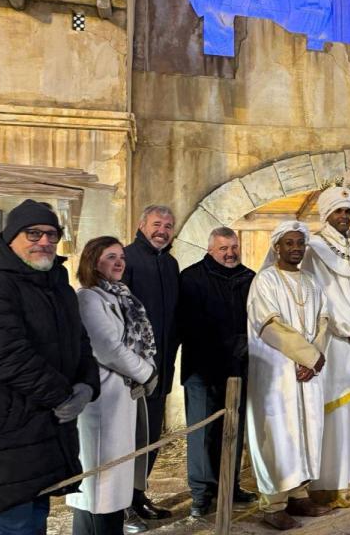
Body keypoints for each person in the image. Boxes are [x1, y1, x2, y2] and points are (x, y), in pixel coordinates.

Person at [0, 199, 100, 533]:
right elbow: (3, 355)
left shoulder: (55, 283)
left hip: (45, 432)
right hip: (5, 434)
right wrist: (63, 395)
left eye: (52, 234)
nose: (45, 241)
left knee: (33, 518)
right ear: (10, 238)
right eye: (33, 233)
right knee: (7, 519)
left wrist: (87, 385)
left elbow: (80, 342)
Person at [245, 220, 333, 531]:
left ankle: (300, 494)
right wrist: (307, 356)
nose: (296, 248)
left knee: (307, 430)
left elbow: (324, 321)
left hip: (308, 374)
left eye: (300, 243)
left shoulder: (311, 282)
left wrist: (314, 358)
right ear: (277, 247)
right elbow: (268, 326)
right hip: (278, 374)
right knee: (279, 436)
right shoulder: (265, 281)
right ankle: (273, 505)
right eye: (289, 243)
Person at [68, 236, 158, 534]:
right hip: (102, 400)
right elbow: (107, 347)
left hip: (122, 397)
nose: (119, 262)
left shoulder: (120, 296)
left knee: (113, 482)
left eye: (121, 256)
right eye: (110, 257)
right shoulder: (88, 298)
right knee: (98, 484)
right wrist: (146, 372)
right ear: (93, 261)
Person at [300, 181, 350, 507]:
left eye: (348, 211)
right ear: (326, 214)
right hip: (333, 342)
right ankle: (329, 484)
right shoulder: (313, 249)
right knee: (332, 413)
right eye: (338, 211)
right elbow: (323, 296)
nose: (345, 216)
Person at [177, 227, 258, 517]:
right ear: (210, 250)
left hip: (238, 368)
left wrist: (246, 344)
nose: (230, 253)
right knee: (201, 433)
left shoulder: (250, 278)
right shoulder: (191, 277)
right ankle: (201, 493)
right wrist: (226, 342)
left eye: (234, 247)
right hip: (202, 368)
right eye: (223, 248)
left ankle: (229, 485)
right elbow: (187, 323)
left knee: (233, 430)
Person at [121, 205, 179, 527]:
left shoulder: (170, 264)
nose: (163, 230)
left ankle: (138, 497)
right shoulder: (127, 259)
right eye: (157, 224)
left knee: (151, 436)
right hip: (134, 374)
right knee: (130, 438)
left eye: (169, 226)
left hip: (162, 369)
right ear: (141, 225)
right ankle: (122, 505)